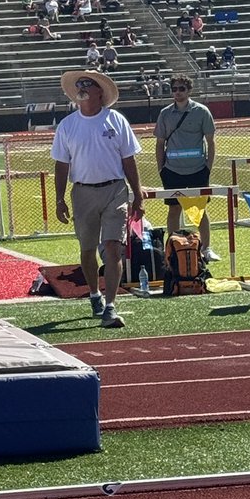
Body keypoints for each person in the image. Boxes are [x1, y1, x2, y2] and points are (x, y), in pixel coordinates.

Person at [51, 71, 144, 329]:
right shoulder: (67, 125)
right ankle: (95, 294)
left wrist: (137, 193)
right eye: (78, 85)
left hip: (114, 189)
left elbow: (129, 159)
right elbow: (61, 164)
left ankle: (111, 306)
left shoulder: (115, 120)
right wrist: (59, 199)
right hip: (82, 192)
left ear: (99, 91)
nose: (80, 88)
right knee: (88, 249)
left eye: (86, 84)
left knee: (113, 247)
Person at [155, 74, 218, 262]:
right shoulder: (165, 113)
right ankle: (173, 248)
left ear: (189, 90)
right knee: (174, 209)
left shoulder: (202, 111)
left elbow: (211, 142)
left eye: (181, 89)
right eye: (174, 89)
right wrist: (161, 169)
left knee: (199, 212)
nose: (177, 93)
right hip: (172, 171)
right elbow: (159, 143)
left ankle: (206, 249)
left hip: (198, 170)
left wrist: (208, 168)